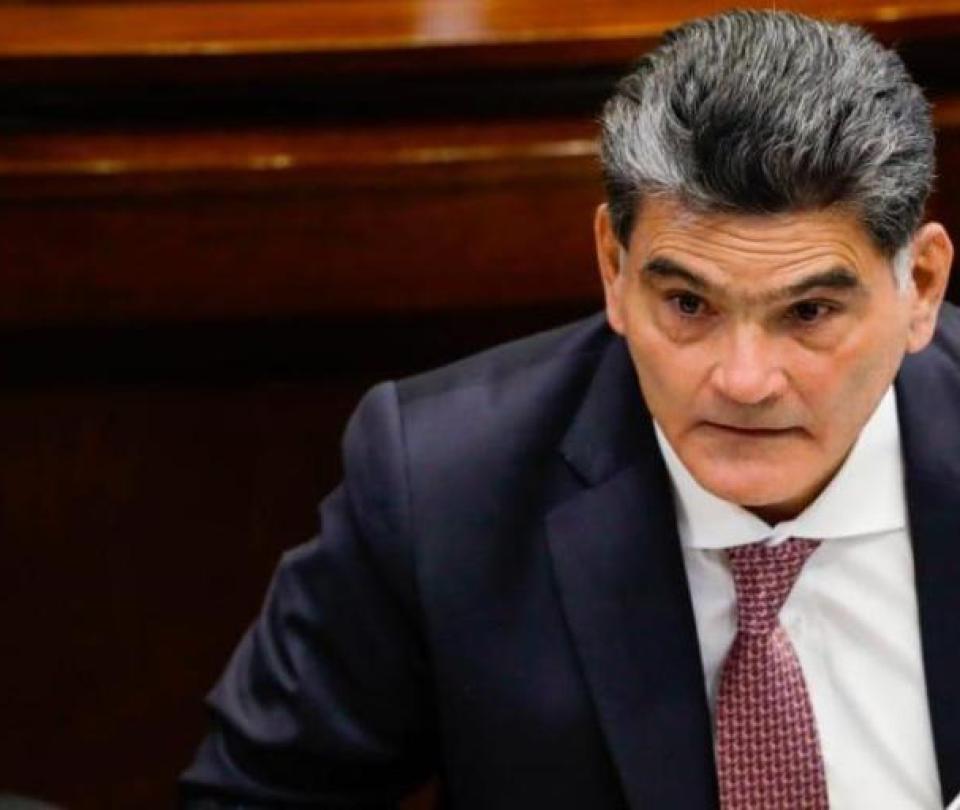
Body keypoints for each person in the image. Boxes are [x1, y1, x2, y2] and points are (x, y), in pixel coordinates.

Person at [181, 10, 960, 809]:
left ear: (921, 287)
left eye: (809, 314)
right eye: (689, 304)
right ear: (613, 268)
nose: (744, 380)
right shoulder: (442, 487)